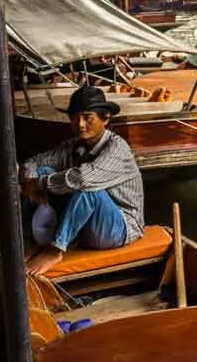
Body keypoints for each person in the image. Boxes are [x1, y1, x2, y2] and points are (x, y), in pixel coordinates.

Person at [20, 87, 144, 277]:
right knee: (41, 172)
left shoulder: (118, 148)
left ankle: (55, 250)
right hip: (85, 224)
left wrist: (41, 183)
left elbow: (83, 179)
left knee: (88, 188)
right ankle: (31, 240)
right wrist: (31, 181)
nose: (80, 124)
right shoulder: (74, 145)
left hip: (119, 229)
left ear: (106, 118)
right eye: (75, 118)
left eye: (88, 118)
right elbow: (32, 162)